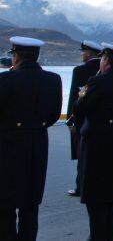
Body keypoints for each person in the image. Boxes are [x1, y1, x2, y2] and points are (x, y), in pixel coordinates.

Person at [0, 37, 62, 241]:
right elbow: (53, 115)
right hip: (37, 144)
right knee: (31, 201)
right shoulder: (53, 79)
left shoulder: (6, 80)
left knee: (5, 204)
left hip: (8, 146)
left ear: (15, 57)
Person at [75, 43, 113, 241]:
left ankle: (98, 235)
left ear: (106, 61)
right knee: (112, 192)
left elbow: (80, 108)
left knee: (95, 192)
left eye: (102, 59)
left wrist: (81, 96)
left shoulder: (97, 81)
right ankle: (112, 234)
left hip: (97, 140)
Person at [66, 40, 101, 197]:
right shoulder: (105, 68)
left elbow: (74, 97)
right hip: (100, 119)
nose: (82, 54)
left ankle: (81, 186)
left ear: (90, 53)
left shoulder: (80, 70)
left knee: (82, 155)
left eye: (83, 51)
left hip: (82, 119)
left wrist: (71, 120)